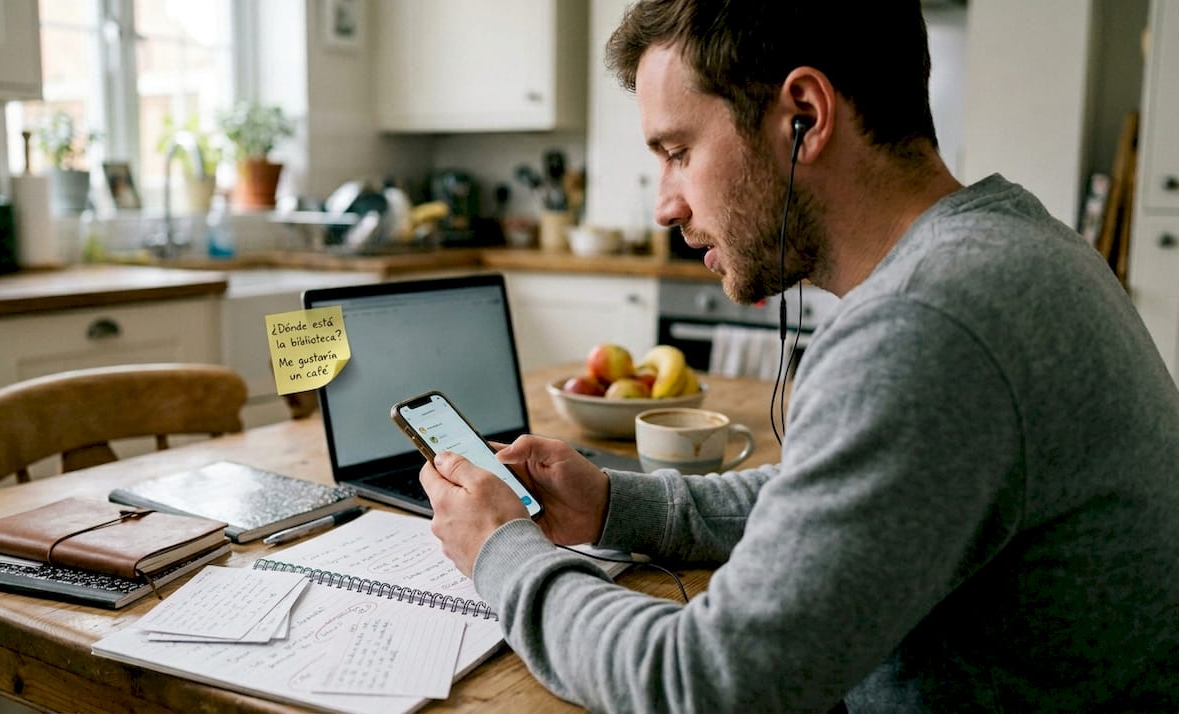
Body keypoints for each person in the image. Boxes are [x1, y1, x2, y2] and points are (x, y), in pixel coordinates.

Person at [419, 1, 1179, 711]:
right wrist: (614, 505)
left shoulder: (924, 324)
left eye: (679, 152)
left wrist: (500, 551)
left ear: (804, 118)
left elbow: (705, 683)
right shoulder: (1010, 242)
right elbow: (828, 503)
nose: (665, 205)